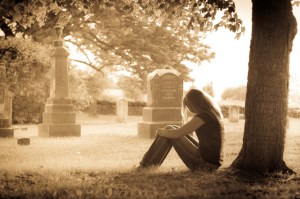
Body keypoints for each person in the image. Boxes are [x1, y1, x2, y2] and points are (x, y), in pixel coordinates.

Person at [138, 88, 224, 171]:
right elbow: (180, 131)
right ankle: (146, 164)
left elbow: (176, 134)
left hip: (205, 164)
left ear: (195, 103)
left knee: (171, 133)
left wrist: (159, 131)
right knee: (170, 129)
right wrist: (165, 131)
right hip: (210, 161)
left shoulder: (203, 116)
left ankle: (145, 165)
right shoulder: (212, 114)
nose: (188, 108)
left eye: (188, 105)